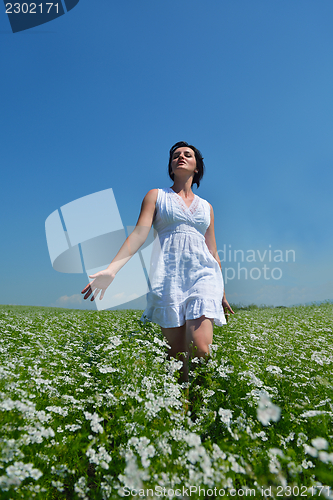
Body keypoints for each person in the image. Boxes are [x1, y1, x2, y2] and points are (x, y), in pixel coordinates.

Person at [81, 141, 234, 383]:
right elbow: (139, 234)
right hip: (168, 275)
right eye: (175, 156)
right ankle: (181, 406)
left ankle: (199, 403)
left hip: (204, 276)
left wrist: (222, 291)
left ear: (197, 167)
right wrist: (112, 270)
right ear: (171, 167)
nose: (180, 157)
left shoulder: (207, 207)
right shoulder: (157, 196)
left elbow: (212, 250)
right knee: (175, 355)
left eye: (187, 155)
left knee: (201, 349)